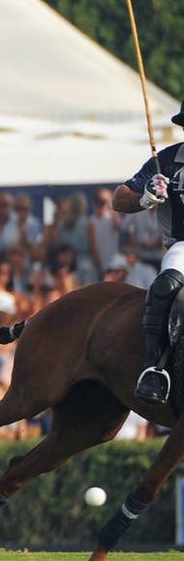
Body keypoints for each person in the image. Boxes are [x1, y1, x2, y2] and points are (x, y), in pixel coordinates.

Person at [112, 106, 184, 404]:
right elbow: (119, 199)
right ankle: (154, 369)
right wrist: (144, 198)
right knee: (165, 286)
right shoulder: (166, 161)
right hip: (183, 245)